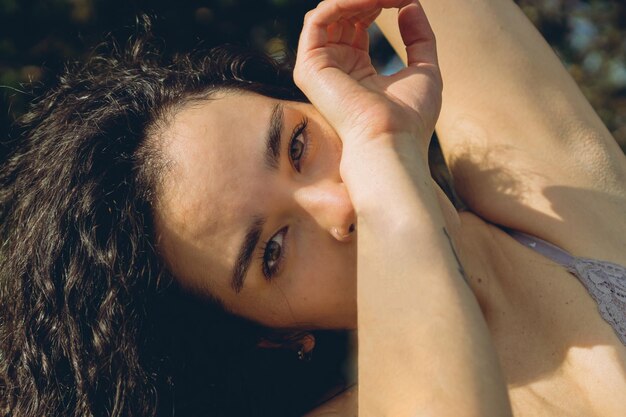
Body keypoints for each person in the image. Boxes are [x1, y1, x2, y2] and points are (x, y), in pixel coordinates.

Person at [1, 0, 624, 416]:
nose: (343, 201)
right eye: (272, 251)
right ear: (276, 337)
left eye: (299, 144)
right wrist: (382, 153)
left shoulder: (551, 197)